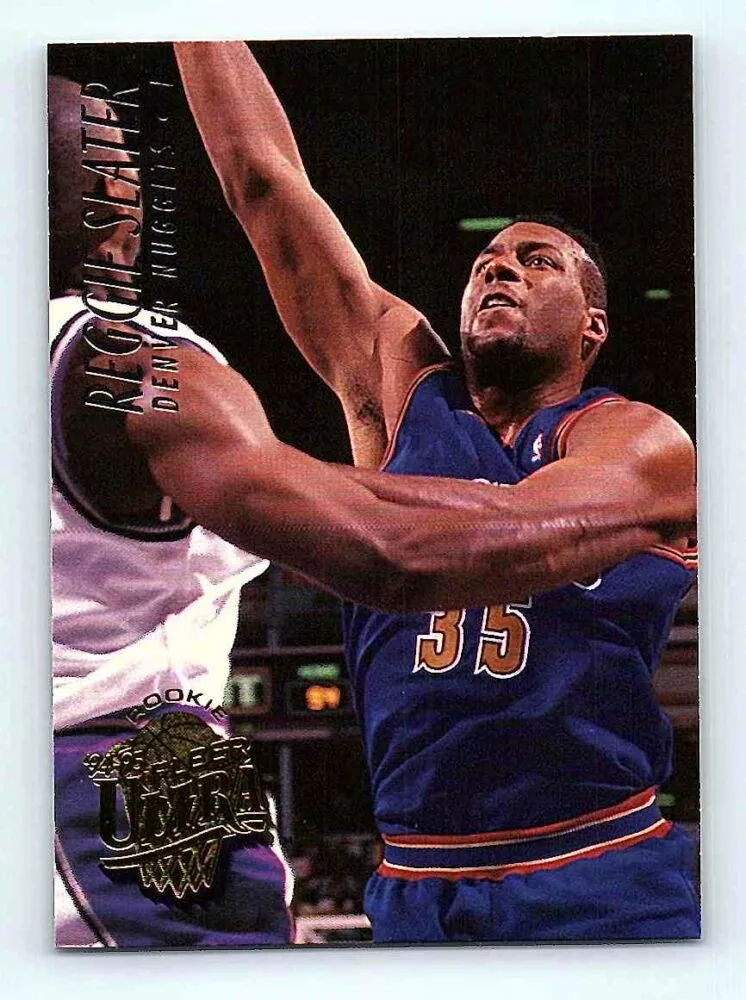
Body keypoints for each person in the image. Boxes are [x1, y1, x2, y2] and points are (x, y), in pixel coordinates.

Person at [174, 41, 700, 943]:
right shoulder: (401, 391)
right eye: (487, 260)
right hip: (415, 876)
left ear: (594, 325)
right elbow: (264, 184)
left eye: (538, 261)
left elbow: (481, 537)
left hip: (596, 867)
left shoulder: (642, 440)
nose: (500, 268)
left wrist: (264, 481)